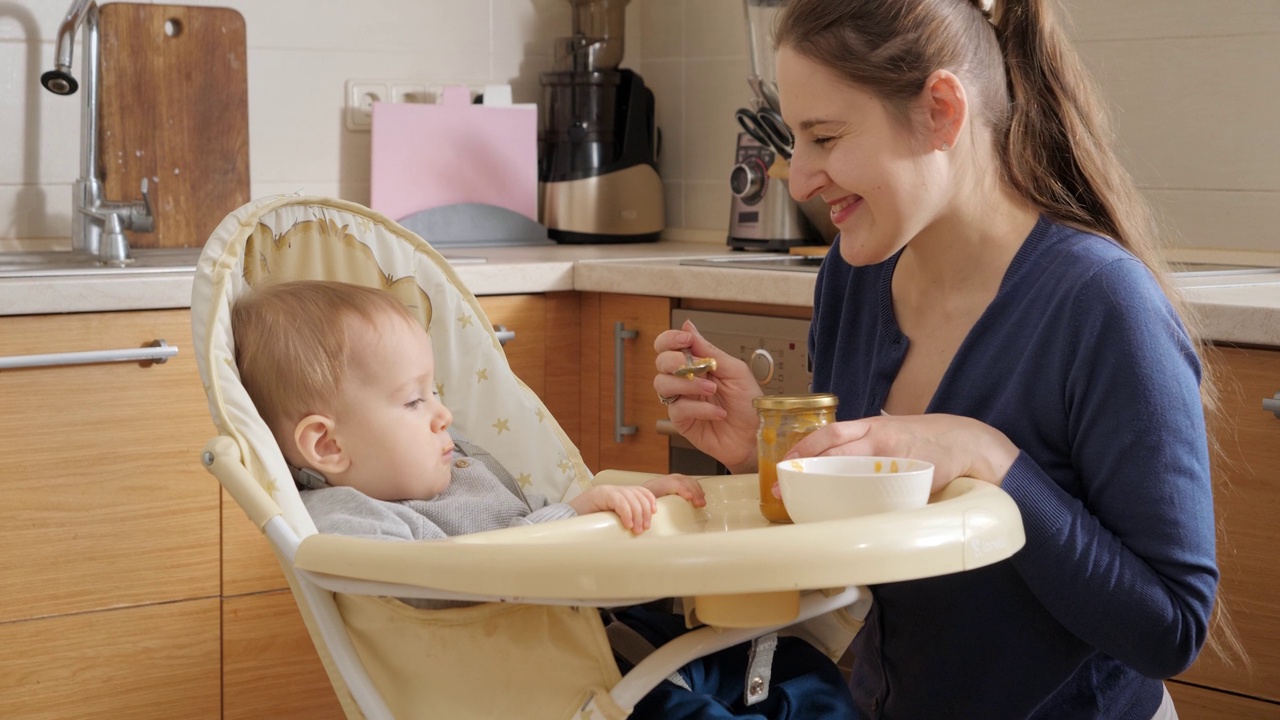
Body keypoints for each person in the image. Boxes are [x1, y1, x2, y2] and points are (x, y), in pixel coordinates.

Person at [654, 0, 1239, 718]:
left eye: (825, 137)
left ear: (940, 111)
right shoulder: (854, 276)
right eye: (794, 140)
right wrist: (771, 458)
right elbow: (877, 559)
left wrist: (990, 459)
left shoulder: (1101, 303)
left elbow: (1171, 629)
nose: (798, 176)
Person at [232, 279, 858, 720]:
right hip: (539, 687)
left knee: (802, 673)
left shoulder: (464, 464)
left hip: (611, 639)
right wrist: (571, 520)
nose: (442, 413)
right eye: (413, 399)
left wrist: (630, 500)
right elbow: (433, 582)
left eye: (436, 390)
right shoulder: (345, 520)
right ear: (327, 445)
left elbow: (556, 510)